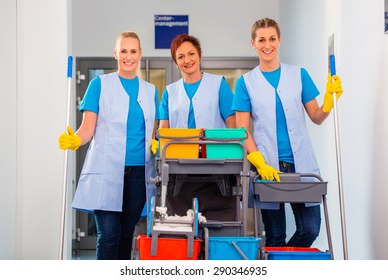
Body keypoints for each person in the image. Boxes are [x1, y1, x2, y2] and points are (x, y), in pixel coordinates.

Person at [232, 18, 343, 247]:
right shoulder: (246, 83)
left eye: (272, 38)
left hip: (302, 165)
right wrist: (258, 161)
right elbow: (242, 130)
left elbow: (316, 116)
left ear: (279, 40)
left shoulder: (299, 75)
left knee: (310, 228)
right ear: (253, 43)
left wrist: (329, 104)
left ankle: (282, 263)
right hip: (268, 167)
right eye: (261, 39)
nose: (267, 44)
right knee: (274, 236)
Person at [58, 31, 159, 259]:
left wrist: (156, 143)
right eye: (123, 51)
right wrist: (75, 139)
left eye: (133, 51)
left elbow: (152, 131)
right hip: (106, 170)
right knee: (109, 234)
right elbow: (87, 129)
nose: (128, 56)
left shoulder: (150, 90)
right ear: (115, 53)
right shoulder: (99, 85)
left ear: (140, 54)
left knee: (125, 235)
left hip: (138, 174)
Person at [156, 34, 237, 220]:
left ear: (200, 55)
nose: (187, 60)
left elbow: (233, 128)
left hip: (216, 168)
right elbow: (164, 132)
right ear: (176, 62)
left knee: (217, 227)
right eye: (181, 57)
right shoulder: (170, 92)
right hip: (180, 169)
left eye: (191, 53)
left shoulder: (219, 85)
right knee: (180, 230)